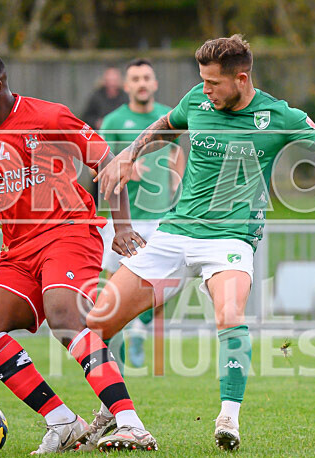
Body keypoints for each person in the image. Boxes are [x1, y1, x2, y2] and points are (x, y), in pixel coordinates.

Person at [88, 35, 315, 451]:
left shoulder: (277, 115)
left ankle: (228, 418)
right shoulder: (198, 101)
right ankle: (118, 416)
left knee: (229, 313)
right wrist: (129, 153)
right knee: (94, 327)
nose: (205, 90)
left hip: (230, 238)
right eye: (202, 81)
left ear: (241, 79)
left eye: (213, 83)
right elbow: (165, 126)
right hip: (175, 232)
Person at [0, 47, 157, 453]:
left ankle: (131, 423)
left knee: (64, 314)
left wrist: (122, 225)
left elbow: (110, 164)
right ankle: (64, 422)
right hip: (18, 252)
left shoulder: (50, 117)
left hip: (69, 233)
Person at [98, 58, 186, 370]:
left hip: (161, 217)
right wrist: (127, 167)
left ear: (155, 82)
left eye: (147, 77)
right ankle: (111, 352)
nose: (142, 83)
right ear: (127, 86)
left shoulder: (167, 118)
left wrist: (179, 180)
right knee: (116, 285)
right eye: (135, 78)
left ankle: (144, 337)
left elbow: (177, 154)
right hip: (124, 219)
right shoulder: (113, 121)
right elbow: (102, 163)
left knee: (162, 285)